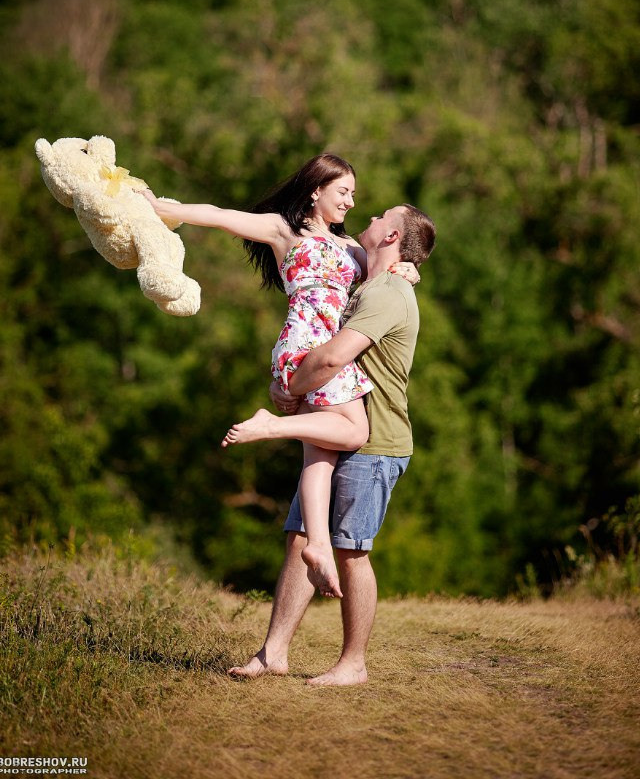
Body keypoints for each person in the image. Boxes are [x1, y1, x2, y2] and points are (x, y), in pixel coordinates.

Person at [139, 154, 415, 599]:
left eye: (353, 194)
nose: (351, 201)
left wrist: (409, 268)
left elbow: (388, 266)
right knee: (354, 430)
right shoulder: (285, 231)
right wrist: (164, 209)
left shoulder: (353, 250)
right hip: (310, 344)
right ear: (315, 189)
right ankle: (269, 425)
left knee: (319, 455)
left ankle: (319, 548)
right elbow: (221, 217)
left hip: (329, 348)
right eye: (343, 191)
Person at [228, 202, 436, 686]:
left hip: (374, 441)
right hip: (335, 427)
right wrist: (290, 389)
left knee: (350, 551)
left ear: (390, 237)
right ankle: (272, 653)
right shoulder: (370, 283)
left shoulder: (386, 293)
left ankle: (353, 664)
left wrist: (289, 390)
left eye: (382, 217)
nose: (368, 215)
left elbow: (332, 358)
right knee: (303, 540)